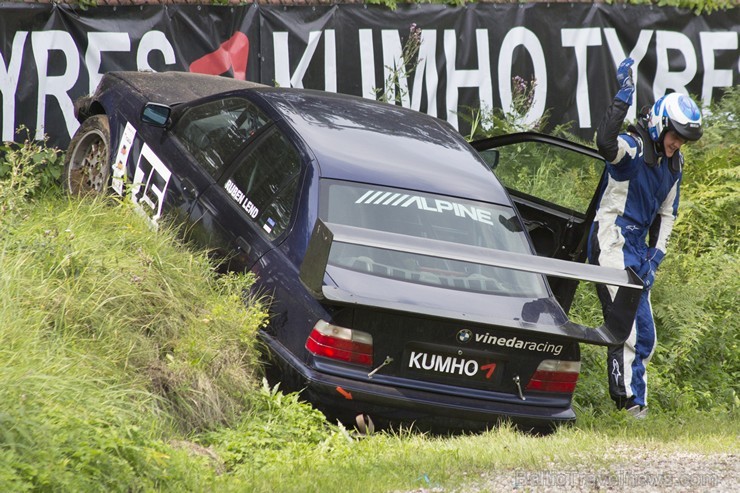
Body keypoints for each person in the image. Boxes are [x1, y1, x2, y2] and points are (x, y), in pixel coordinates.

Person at [587, 58, 703, 418]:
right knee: (631, 330)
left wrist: (658, 254)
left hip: (639, 250)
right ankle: (629, 406)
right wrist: (623, 96)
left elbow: (668, 213)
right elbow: (604, 142)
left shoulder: (674, 164)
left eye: (683, 140)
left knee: (646, 335)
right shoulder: (633, 148)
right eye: (674, 136)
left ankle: (634, 404)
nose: (677, 144)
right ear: (661, 125)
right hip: (611, 241)